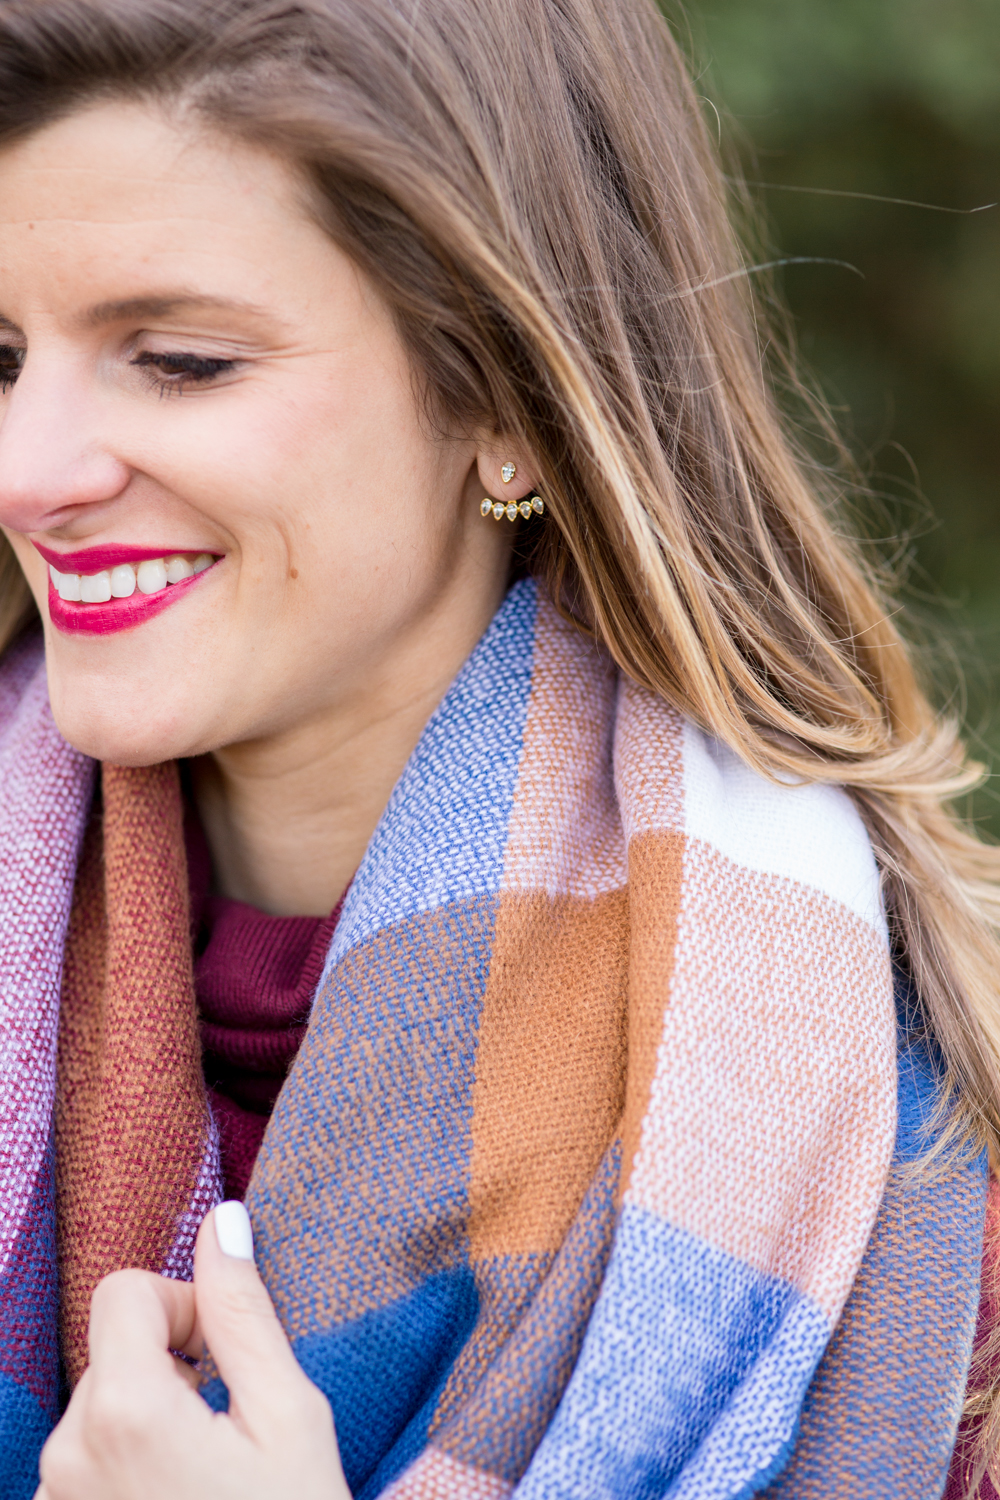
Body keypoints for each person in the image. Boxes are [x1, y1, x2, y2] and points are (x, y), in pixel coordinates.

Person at [0, 0, 996, 1496]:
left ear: (506, 405)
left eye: (182, 359)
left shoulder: (899, 1121)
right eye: (2, 355)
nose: (31, 474)